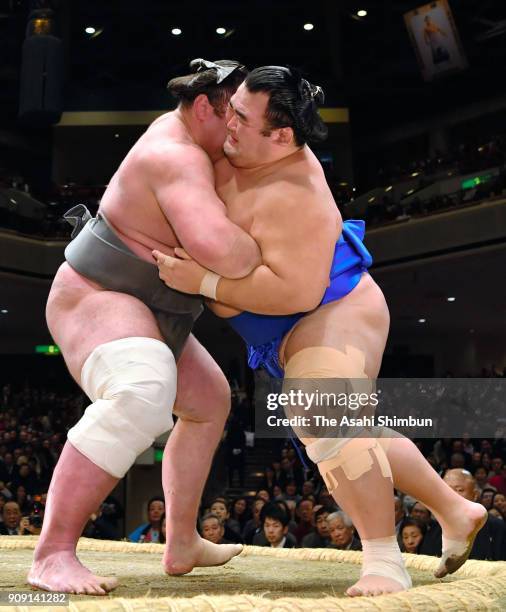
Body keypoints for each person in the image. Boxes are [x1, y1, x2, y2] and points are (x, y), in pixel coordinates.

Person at [155, 65, 487, 596]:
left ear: (281, 135)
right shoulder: (232, 139)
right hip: (280, 329)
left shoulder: (297, 190)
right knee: (343, 427)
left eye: (241, 115)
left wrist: (206, 280)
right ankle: (455, 509)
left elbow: (295, 293)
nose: (228, 120)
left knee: (323, 410)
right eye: (230, 106)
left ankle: (384, 559)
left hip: (333, 306)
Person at [28, 59, 259, 595]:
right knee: (142, 390)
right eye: (236, 116)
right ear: (205, 107)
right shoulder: (173, 155)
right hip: (98, 293)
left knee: (209, 403)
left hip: (156, 305)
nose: (240, 130)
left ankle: (181, 541)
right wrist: (268, 243)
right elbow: (224, 251)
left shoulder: (190, 139)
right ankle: (53, 553)